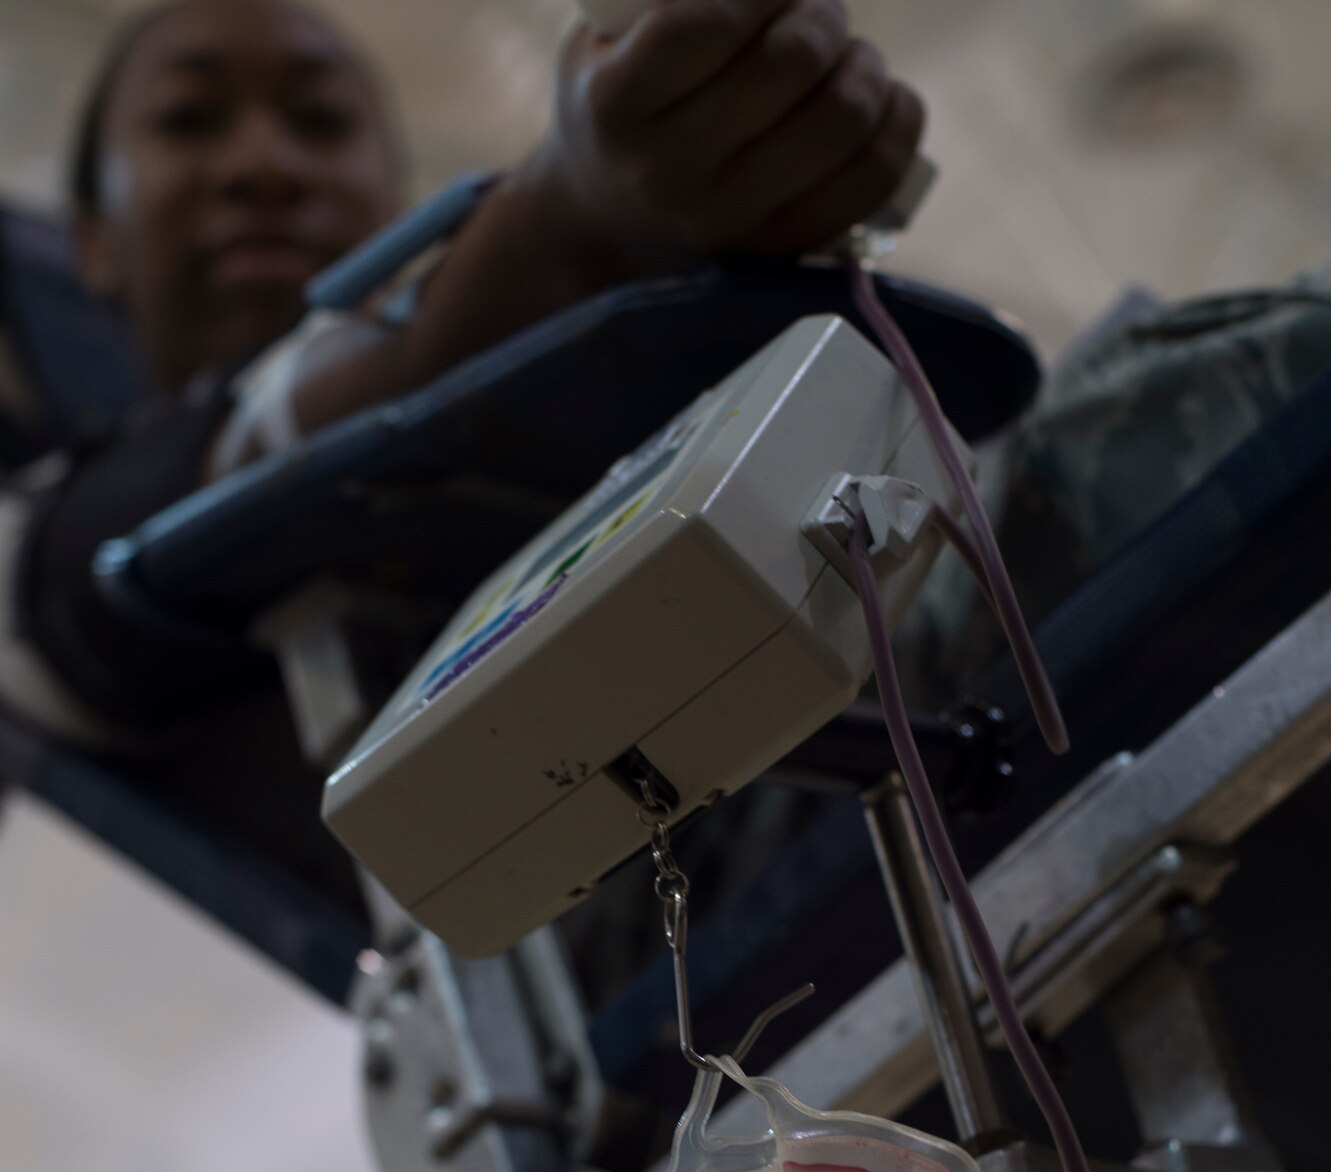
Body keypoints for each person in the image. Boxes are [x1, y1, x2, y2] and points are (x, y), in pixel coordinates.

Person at [3, 0, 926, 750]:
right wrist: (557, 225)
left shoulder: (634, 421)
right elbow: (229, 459)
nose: (264, 164)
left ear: (399, 205)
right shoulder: (38, 533)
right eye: (189, 119)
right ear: (92, 242)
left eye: (320, 122)